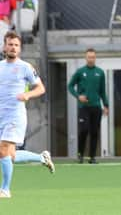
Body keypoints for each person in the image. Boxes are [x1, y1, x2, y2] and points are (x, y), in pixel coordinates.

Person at [0, 31, 54, 199]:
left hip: (15, 116)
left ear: (20, 49)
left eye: (16, 45)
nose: (13, 48)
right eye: (10, 44)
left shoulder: (26, 67)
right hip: (1, 115)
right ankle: (42, 158)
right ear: (4, 46)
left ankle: (5, 189)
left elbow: (41, 88)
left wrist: (27, 95)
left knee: (2, 149)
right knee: (11, 155)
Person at [67, 48, 109, 164]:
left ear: (95, 58)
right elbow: (70, 86)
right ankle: (80, 154)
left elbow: (102, 91)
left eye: (93, 57)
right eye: (89, 57)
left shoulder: (100, 72)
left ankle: (92, 157)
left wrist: (106, 105)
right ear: (85, 58)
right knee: (84, 130)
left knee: (94, 132)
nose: (91, 59)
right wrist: (78, 96)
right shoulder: (80, 72)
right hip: (83, 107)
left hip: (96, 107)